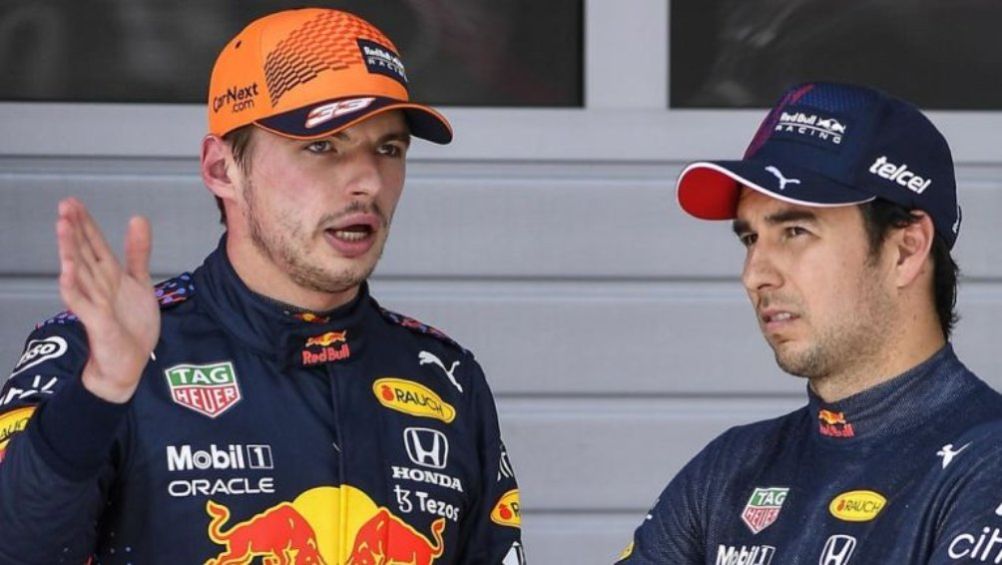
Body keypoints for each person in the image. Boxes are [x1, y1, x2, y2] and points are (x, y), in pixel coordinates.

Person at [0, 8, 524, 564]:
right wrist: (100, 392)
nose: (368, 181)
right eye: (323, 145)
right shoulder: (94, 355)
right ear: (221, 169)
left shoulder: (445, 379)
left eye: (388, 149)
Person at [616, 82, 1002, 564]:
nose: (754, 275)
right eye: (750, 239)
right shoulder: (727, 470)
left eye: (795, 231)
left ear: (906, 250)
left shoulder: (988, 465)